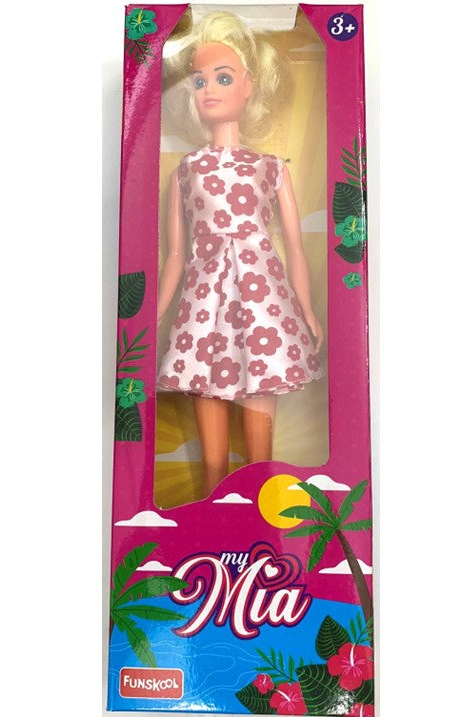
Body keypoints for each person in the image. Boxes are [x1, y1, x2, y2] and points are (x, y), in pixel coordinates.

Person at [156, 11, 324, 496]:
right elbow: (175, 254)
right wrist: (155, 313)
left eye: (223, 78)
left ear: (249, 85)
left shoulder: (270, 168)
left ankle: (258, 500)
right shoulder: (187, 170)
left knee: (259, 440)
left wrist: (307, 309)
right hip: (203, 304)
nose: (208, 89)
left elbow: (294, 246)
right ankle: (211, 503)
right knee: (210, 435)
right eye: (199, 80)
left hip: (262, 301)